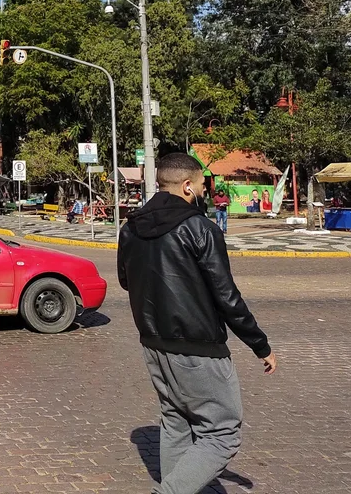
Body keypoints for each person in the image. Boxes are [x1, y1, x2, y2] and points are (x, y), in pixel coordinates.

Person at [118, 153, 276, 494]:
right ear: (188, 187)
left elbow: (126, 281)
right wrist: (260, 345)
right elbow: (226, 296)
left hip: (154, 343)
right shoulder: (201, 228)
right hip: (199, 347)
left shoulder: (129, 227)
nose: (204, 192)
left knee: (176, 421)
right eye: (203, 186)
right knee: (222, 433)